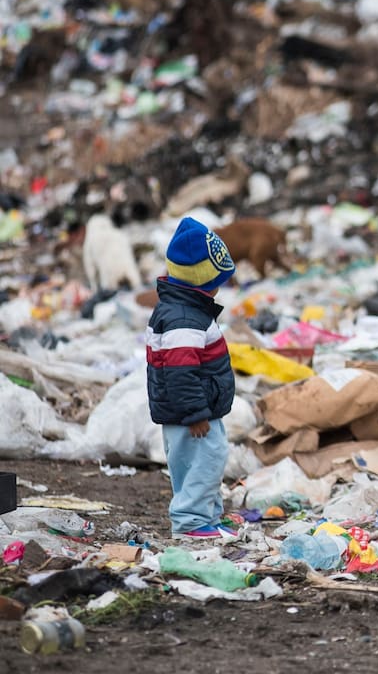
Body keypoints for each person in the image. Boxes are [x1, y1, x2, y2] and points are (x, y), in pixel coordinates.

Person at [146, 217, 238, 539]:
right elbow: (179, 372)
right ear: (201, 281)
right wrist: (195, 413)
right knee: (202, 464)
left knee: (203, 465)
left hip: (196, 411)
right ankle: (191, 523)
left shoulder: (184, 309)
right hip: (192, 415)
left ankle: (208, 517)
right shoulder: (184, 318)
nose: (219, 288)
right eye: (217, 281)